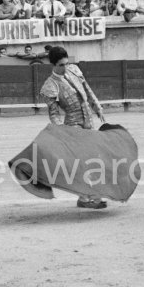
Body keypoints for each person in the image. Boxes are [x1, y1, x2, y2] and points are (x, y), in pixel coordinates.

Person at [39, 46, 106, 209]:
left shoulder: (74, 70)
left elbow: (87, 90)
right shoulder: (50, 85)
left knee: (94, 158)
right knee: (83, 161)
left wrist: (97, 107)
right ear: (53, 65)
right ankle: (86, 197)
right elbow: (54, 113)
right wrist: (60, 130)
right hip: (73, 123)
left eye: (66, 64)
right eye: (61, 65)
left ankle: (90, 196)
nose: (64, 68)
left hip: (88, 119)